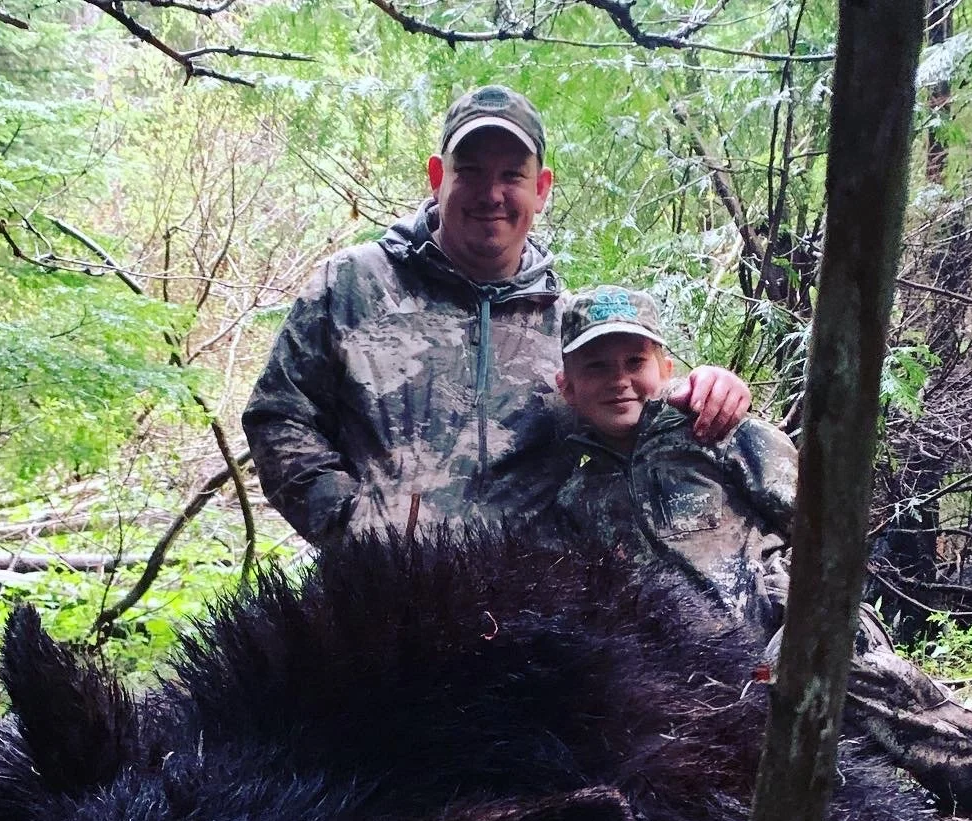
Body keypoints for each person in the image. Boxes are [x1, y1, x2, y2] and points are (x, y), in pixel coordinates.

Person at [544, 285, 972, 821]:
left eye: (634, 361)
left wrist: (807, 602)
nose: (619, 379)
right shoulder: (573, 497)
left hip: (794, 627)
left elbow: (826, 522)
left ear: (665, 365)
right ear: (568, 387)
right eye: (596, 366)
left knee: (824, 671)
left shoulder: (714, 433)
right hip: (711, 676)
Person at [242, 84, 750, 545]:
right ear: (438, 177)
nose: (491, 194)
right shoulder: (353, 284)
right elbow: (279, 416)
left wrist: (707, 390)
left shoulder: (572, 326)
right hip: (381, 606)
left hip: (531, 610)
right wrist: (353, 526)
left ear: (542, 189)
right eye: (471, 172)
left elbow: (631, 415)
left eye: (512, 175)